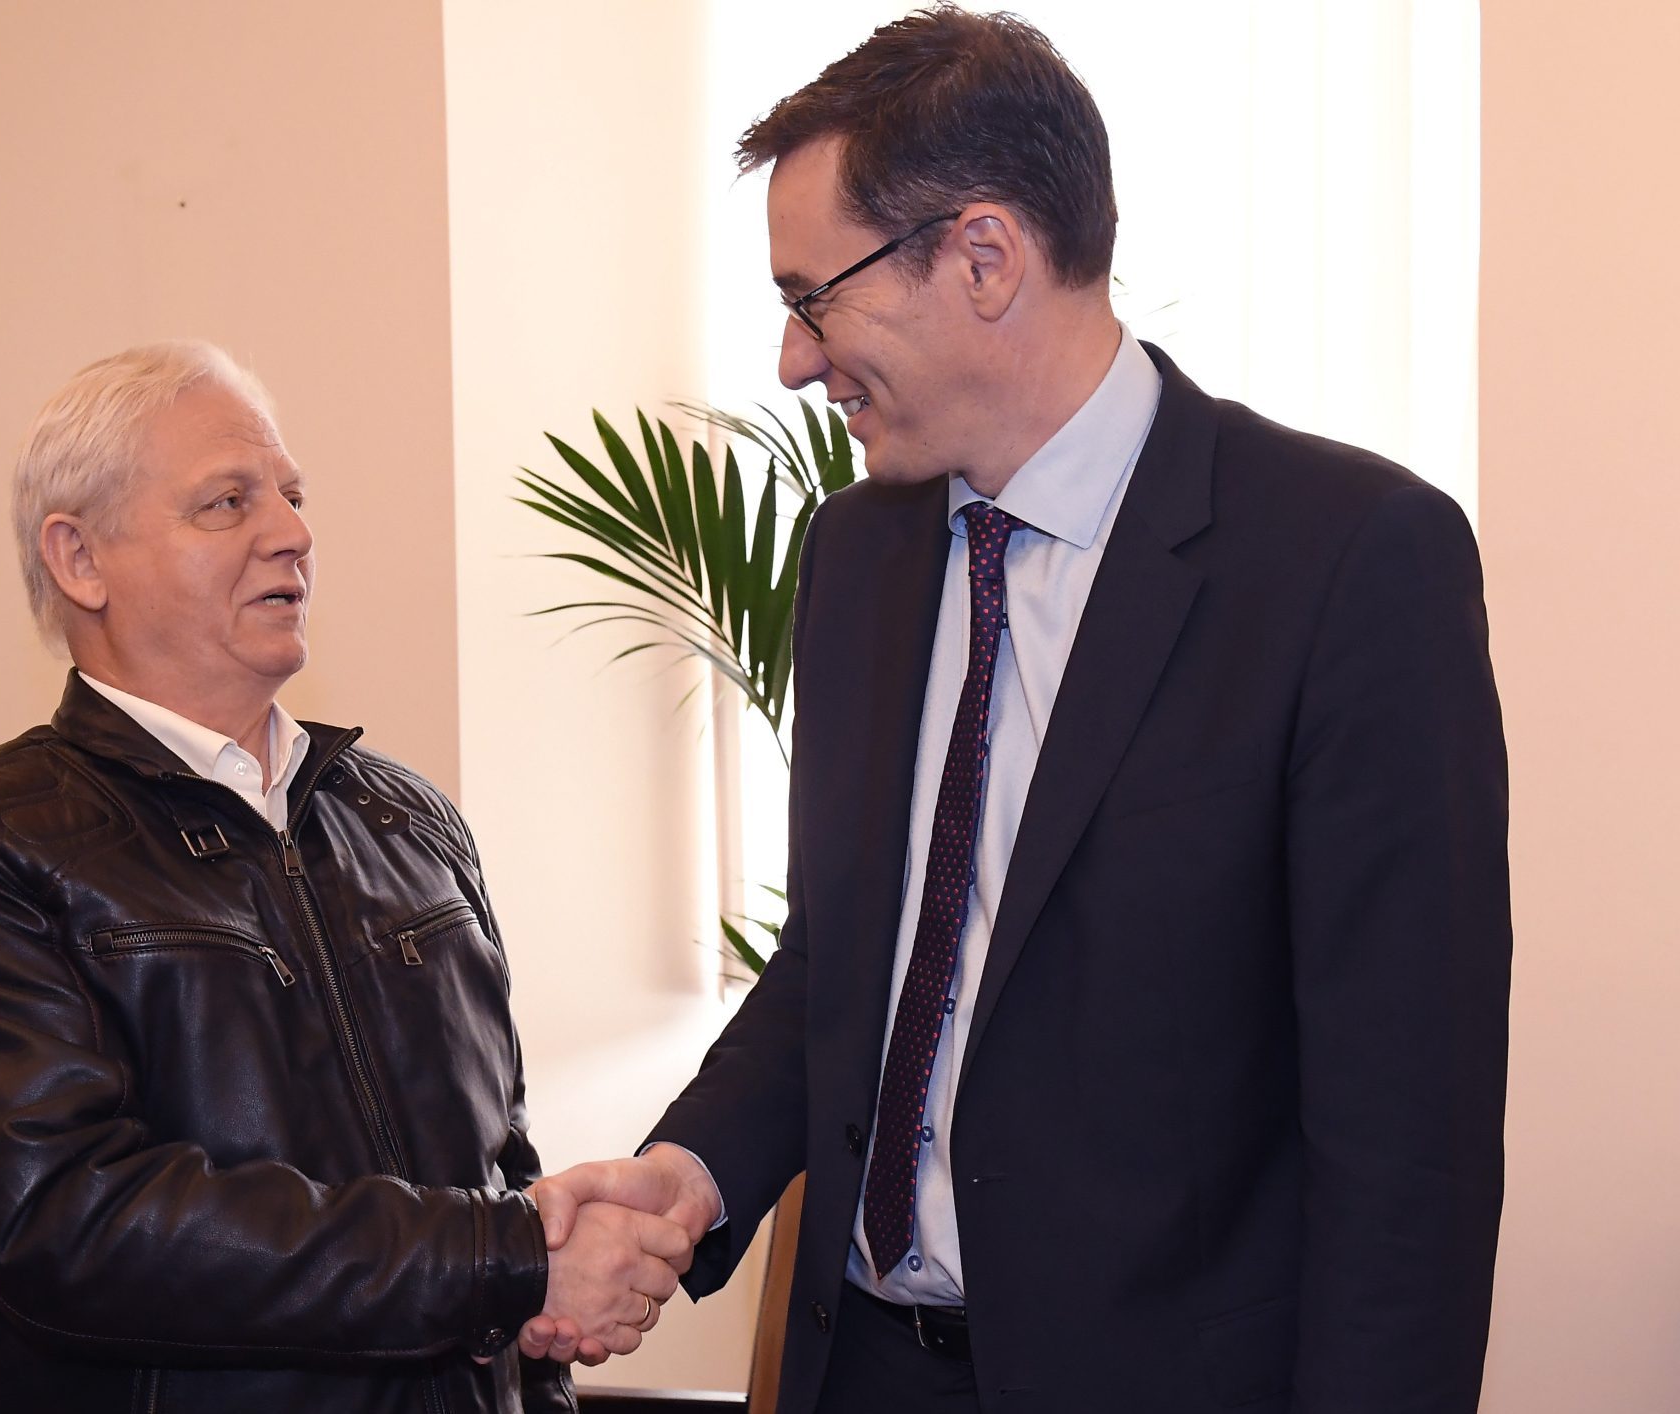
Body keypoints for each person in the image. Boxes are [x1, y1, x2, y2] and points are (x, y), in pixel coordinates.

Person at [524, 10, 1512, 1413]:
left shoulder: (1346, 561)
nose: (794, 358)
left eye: (814, 297)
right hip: (864, 1371)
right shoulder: (855, 553)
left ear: (984, 257)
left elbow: (1408, 1141)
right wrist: (689, 1176)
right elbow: (840, 963)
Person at [0, 342, 684, 1414]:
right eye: (227, 502)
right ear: (80, 559)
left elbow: (499, 1167)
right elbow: (69, 1226)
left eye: (292, 496)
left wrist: (542, 1298)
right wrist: (509, 1257)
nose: (292, 532)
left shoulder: (411, 820)